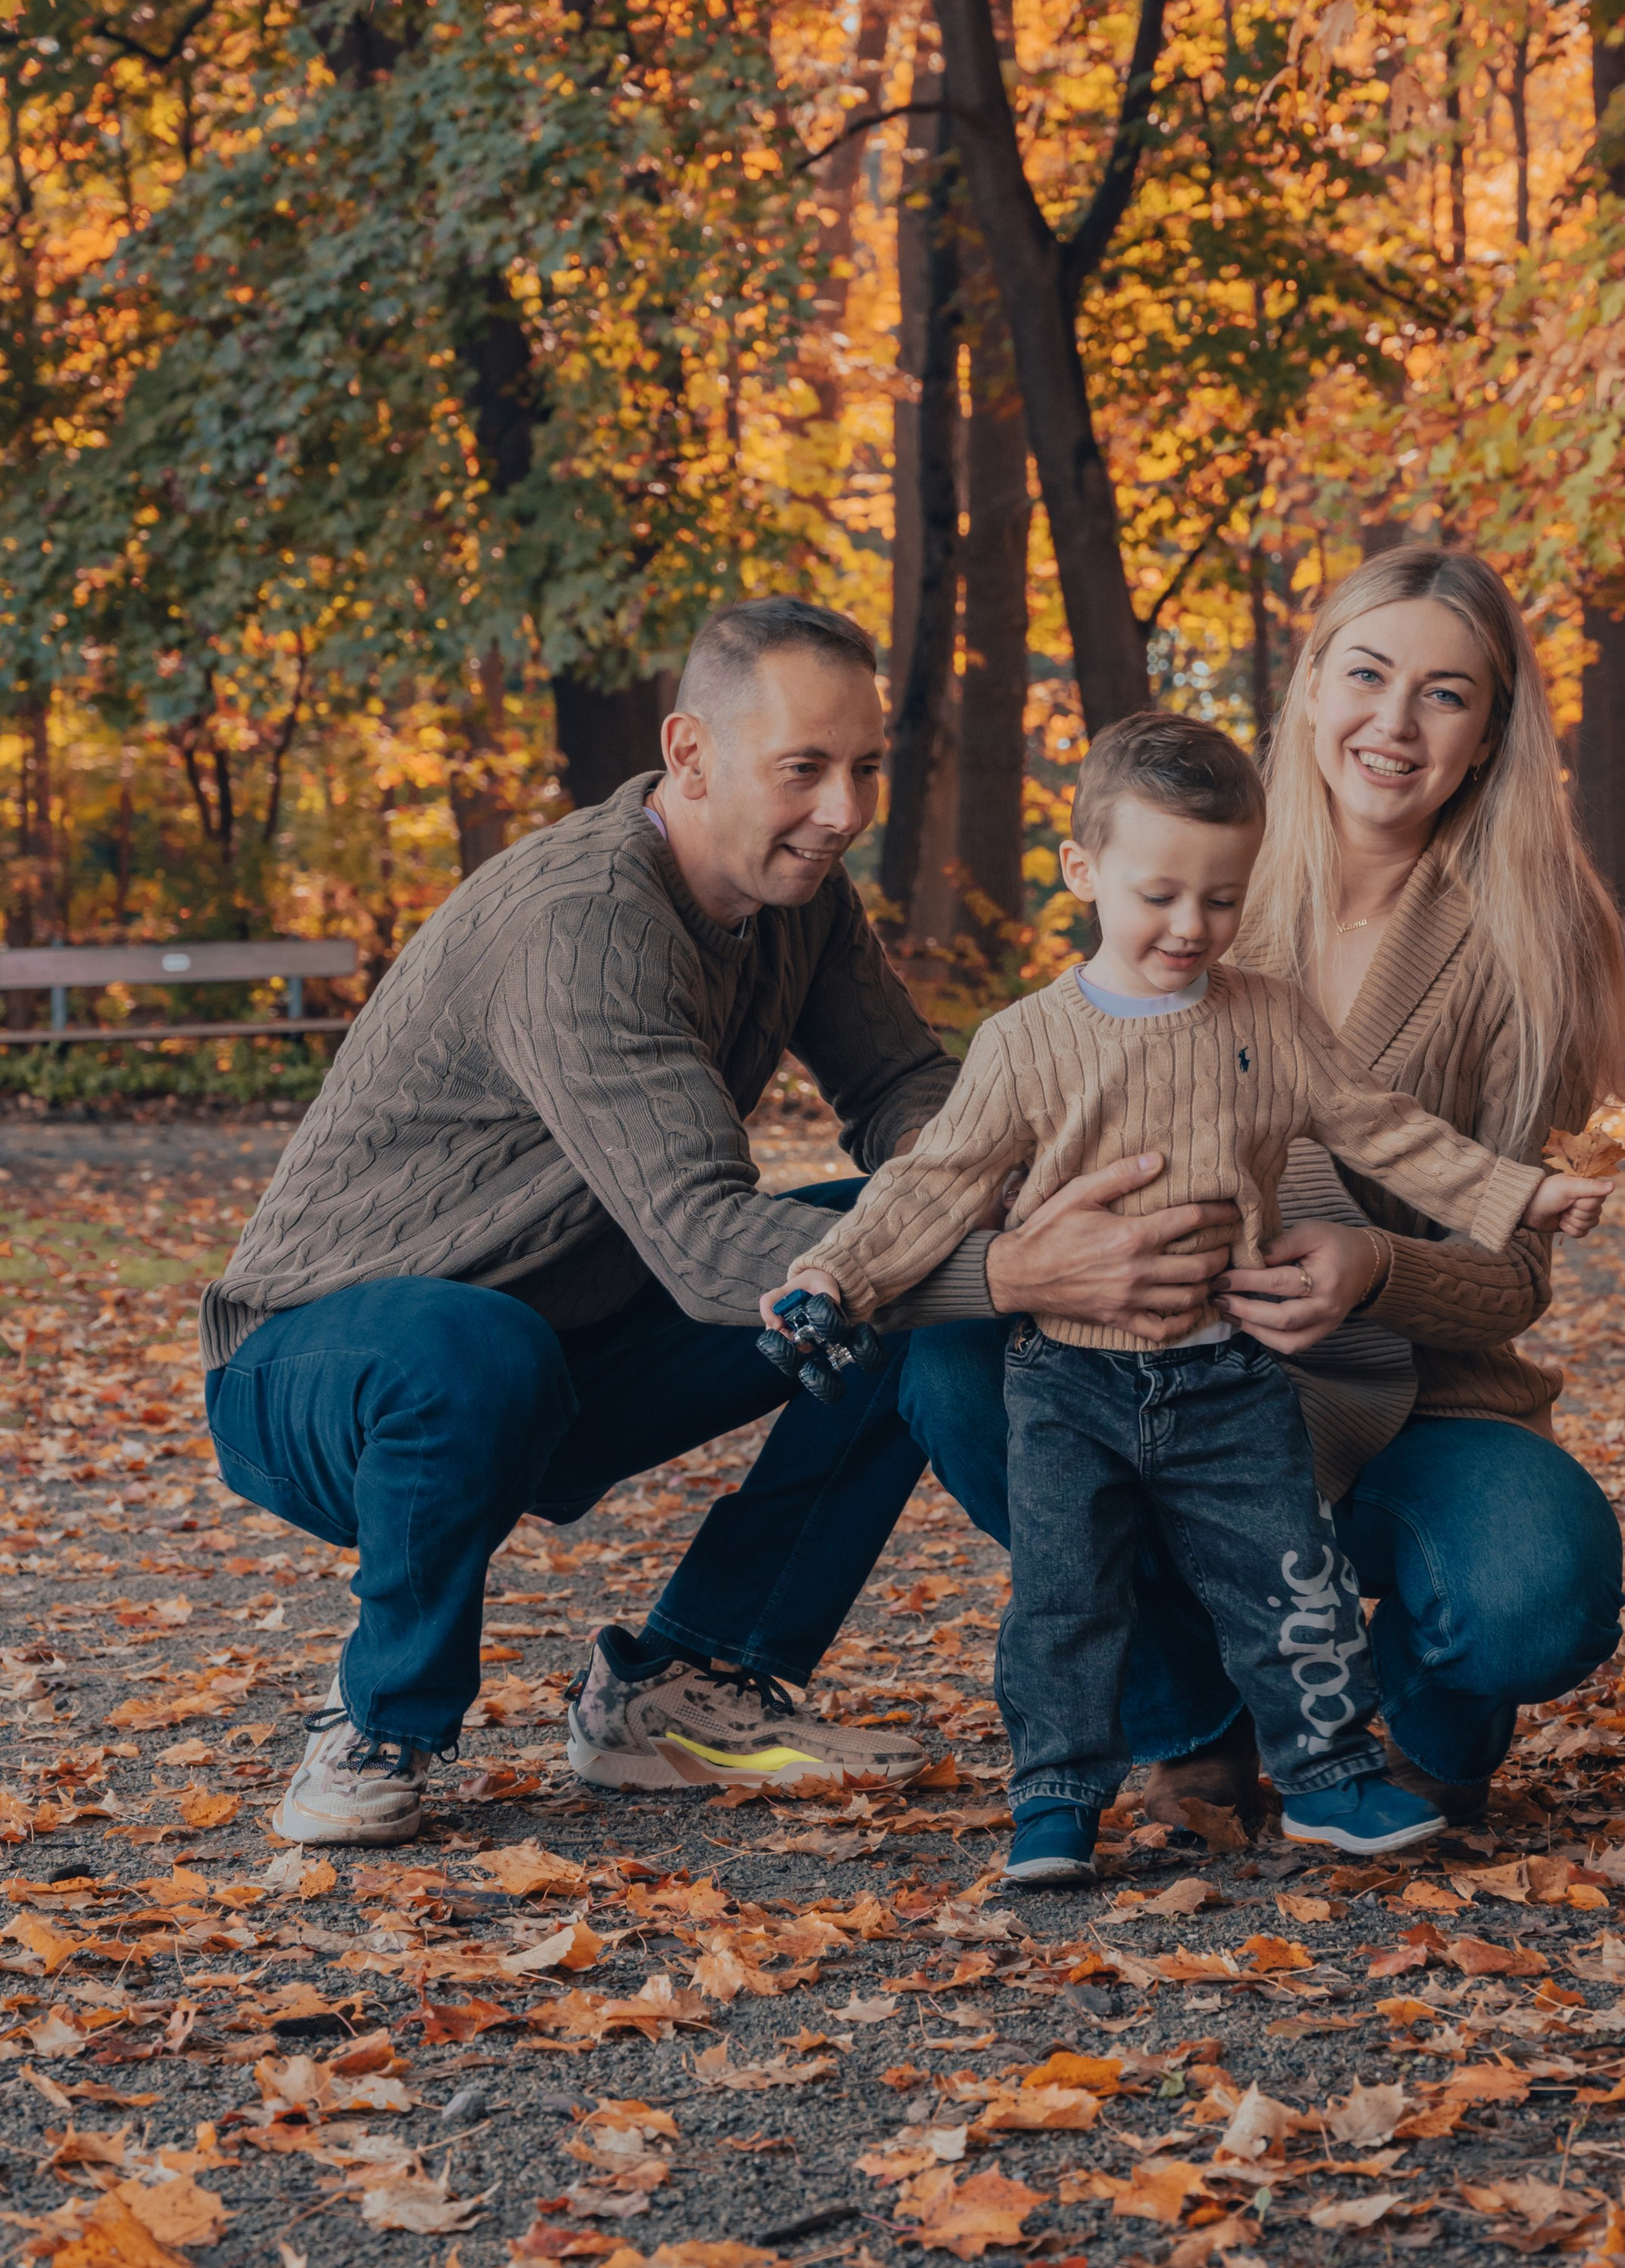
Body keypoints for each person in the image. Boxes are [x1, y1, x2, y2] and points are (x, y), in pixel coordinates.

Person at [201, 596, 1239, 1845]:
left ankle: (692, 1682)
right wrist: (1019, 1264)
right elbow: (703, 1240)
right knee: (482, 1346)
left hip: (571, 1335)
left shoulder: (797, 890)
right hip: (323, 1365)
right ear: (689, 755)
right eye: (803, 769)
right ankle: (379, 1719)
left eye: (863, 768)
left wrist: (1010, 1190)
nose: (844, 811)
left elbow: (903, 1087)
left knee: (901, 1264)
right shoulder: (583, 923)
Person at [766, 711, 1611, 1884]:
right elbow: (936, 1181)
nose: (1189, 927)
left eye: (1220, 900)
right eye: (1159, 894)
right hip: (1071, 1378)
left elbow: (1387, 1133)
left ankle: (1327, 1778)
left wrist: (1517, 1193)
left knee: (1290, 1576)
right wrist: (833, 1278)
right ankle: (1058, 1797)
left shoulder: (1268, 1017)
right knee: (1066, 1595)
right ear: (1085, 872)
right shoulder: (1027, 1042)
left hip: (1229, 1376)